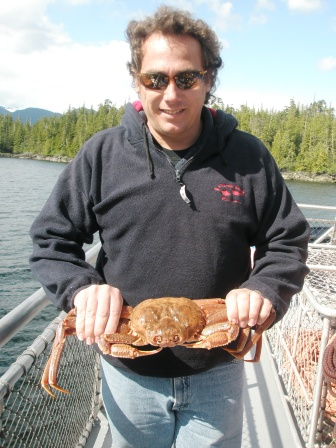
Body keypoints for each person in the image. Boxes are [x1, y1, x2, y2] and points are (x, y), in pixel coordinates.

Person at [30, 5, 310, 447]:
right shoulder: (102, 155)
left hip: (218, 369)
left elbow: (287, 240)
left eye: (187, 78)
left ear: (208, 80)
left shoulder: (249, 158)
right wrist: (81, 289)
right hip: (128, 375)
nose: (171, 94)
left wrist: (265, 289)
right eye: (155, 79)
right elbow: (51, 240)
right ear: (137, 81)